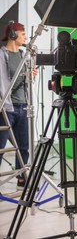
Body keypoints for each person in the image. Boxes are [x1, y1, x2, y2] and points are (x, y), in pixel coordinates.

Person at [0, 21, 38, 189]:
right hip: (7, 108)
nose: (26, 37)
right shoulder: (2, 55)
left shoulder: (24, 55)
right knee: (0, 147)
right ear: (13, 35)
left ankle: (22, 179)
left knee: (23, 146)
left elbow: (25, 84)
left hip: (23, 106)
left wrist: (31, 76)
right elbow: (4, 84)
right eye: (23, 34)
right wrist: (23, 75)